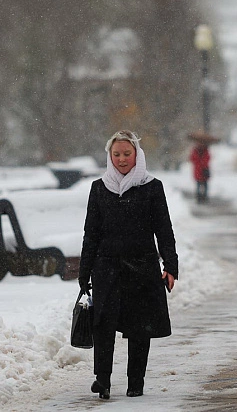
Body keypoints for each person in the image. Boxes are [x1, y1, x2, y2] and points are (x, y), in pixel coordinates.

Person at [78, 130, 179, 400]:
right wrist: (84, 271)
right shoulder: (99, 188)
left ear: (137, 155)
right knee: (103, 324)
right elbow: (92, 233)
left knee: (139, 326)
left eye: (127, 154)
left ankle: (136, 381)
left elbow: (163, 229)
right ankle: (103, 380)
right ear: (110, 157)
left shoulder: (151, 187)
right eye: (117, 154)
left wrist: (170, 265)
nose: (122, 159)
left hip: (142, 266)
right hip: (106, 267)